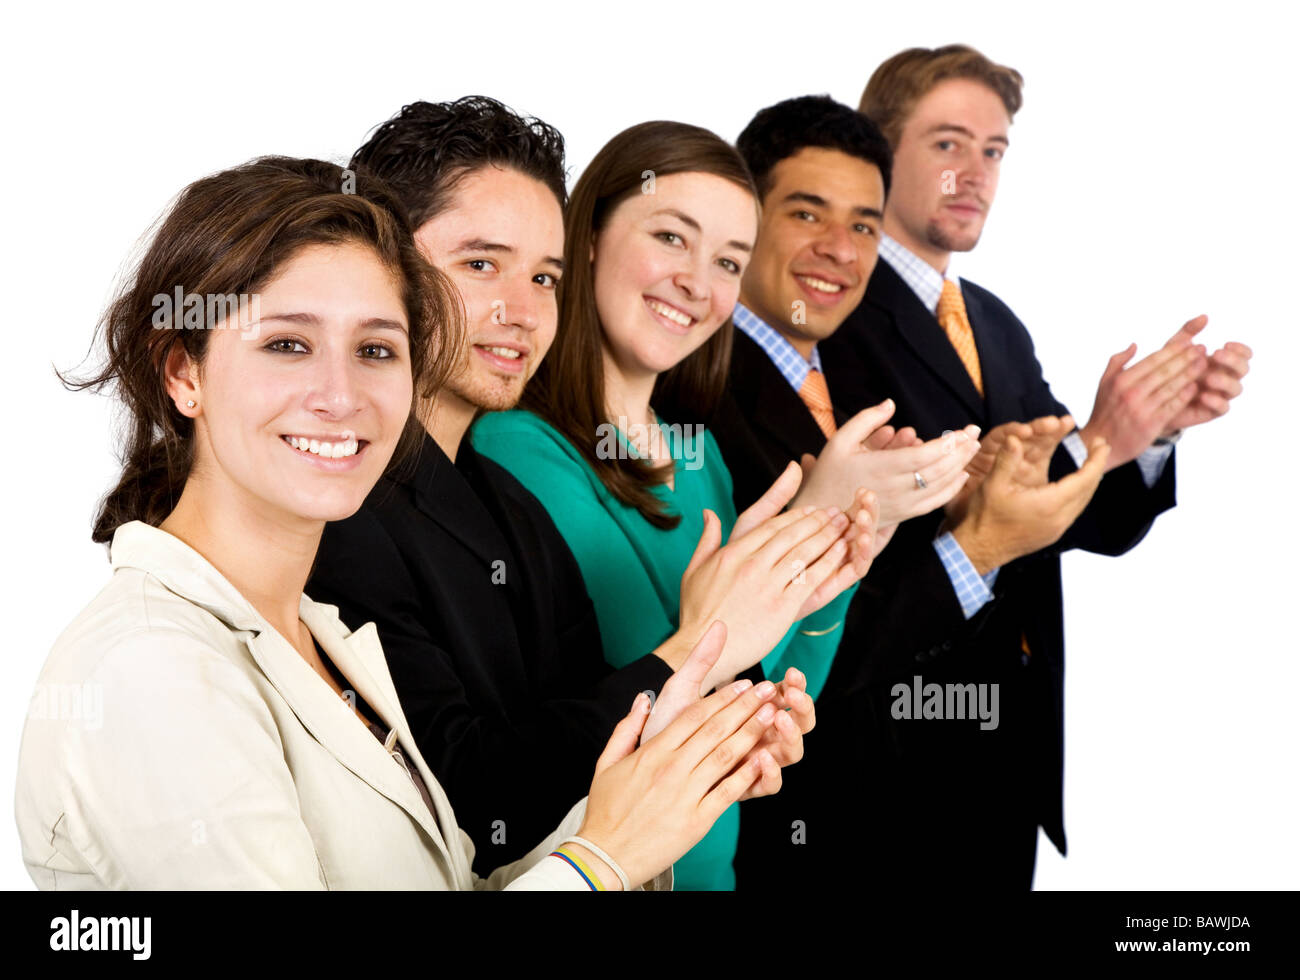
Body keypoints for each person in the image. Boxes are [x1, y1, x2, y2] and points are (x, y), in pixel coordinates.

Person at [15, 156, 801, 891]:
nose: (341, 394)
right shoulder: (153, 669)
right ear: (183, 372)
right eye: (287, 344)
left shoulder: (321, 634)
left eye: (377, 350)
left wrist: (676, 781)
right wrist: (602, 858)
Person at [309, 97, 821, 872]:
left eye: (544, 277)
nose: (522, 311)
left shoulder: (504, 501)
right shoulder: (335, 501)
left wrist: (724, 727)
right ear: (382, 266)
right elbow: (475, 797)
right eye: (481, 264)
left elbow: (591, 713)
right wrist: (697, 650)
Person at [813, 45, 1252, 888]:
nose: (974, 172)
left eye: (993, 150)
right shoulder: (834, 317)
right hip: (881, 778)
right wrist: (1096, 442)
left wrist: (1143, 436)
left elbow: (1076, 517)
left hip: (1006, 767)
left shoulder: (995, 323)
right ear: (878, 153)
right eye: (946, 143)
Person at [677, 94, 1114, 887]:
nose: (840, 251)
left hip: (927, 805)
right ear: (745, 220)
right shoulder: (692, 395)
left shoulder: (860, 377)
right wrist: (977, 543)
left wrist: (965, 496)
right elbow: (793, 654)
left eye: (865, 226)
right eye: (807, 214)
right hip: (796, 836)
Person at [471, 121, 877, 890]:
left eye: (728, 261)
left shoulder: (701, 455)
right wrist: (762, 596)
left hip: (708, 870)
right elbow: (655, 670)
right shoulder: (516, 445)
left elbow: (762, 684)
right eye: (671, 236)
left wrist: (829, 568)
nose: (699, 282)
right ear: (588, 237)